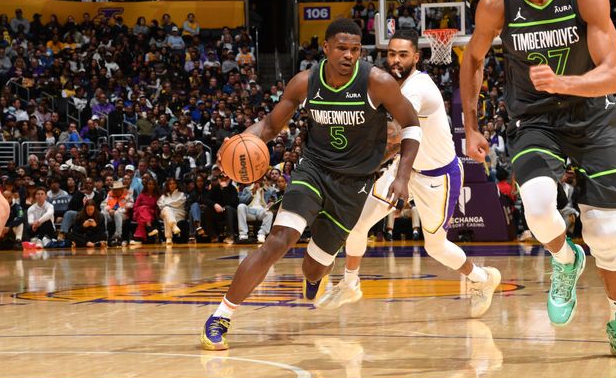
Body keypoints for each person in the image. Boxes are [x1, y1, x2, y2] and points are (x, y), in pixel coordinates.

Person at [460, 0, 616, 360]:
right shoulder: (495, 4)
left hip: (593, 118)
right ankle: (566, 259)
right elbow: (472, 60)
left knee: (606, 233)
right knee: (541, 210)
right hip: (534, 121)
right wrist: (470, 126)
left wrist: (563, 82)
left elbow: (614, 74)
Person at [200, 18, 421, 351]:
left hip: (354, 184)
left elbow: (411, 126)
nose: (349, 55)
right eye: (342, 48)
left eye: (356, 49)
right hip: (313, 170)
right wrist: (242, 139)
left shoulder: (377, 82)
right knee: (279, 239)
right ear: (326, 48)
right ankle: (220, 317)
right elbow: (271, 126)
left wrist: (402, 176)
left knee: (312, 269)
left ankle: (316, 279)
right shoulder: (304, 83)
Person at [317, 31, 501, 314]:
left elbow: (395, 135)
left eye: (403, 55)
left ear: (416, 57)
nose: (396, 60)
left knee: (436, 247)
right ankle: (350, 283)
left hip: (437, 176)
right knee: (357, 223)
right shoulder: (387, 84)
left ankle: (482, 278)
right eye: (391, 53)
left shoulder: (419, 87)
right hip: (405, 167)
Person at [158, 177, 187, 245]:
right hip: (166, 212)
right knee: (167, 210)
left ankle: (168, 237)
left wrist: (166, 205)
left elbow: (177, 203)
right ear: (168, 185)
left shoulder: (181, 194)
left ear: (177, 184)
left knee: (167, 214)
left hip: (178, 213)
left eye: (174, 183)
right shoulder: (163, 195)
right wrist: (168, 206)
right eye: (170, 184)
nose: (172, 185)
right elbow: (159, 204)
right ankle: (174, 226)